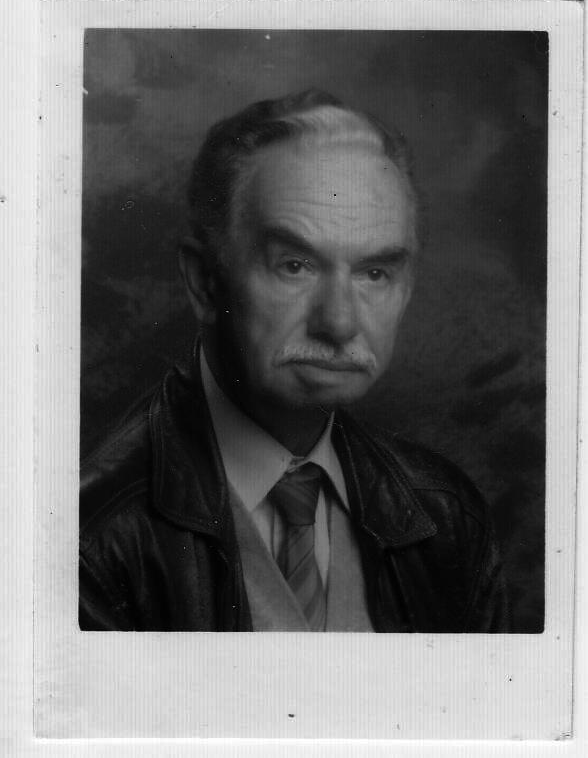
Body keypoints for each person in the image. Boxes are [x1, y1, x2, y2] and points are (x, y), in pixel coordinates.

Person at [79, 89, 510, 632]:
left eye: (375, 273)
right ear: (204, 282)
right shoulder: (91, 538)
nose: (340, 323)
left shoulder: (448, 516)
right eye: (295, 266)